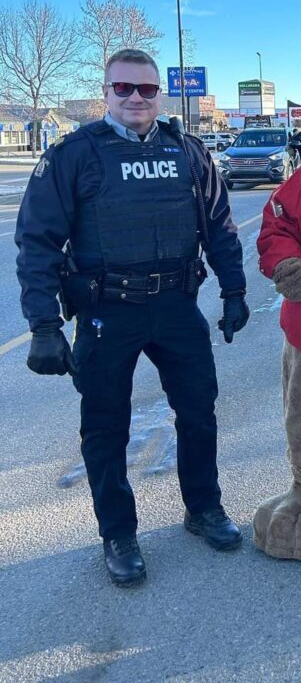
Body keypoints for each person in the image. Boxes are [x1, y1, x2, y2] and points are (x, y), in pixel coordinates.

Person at [15, 49, 251, 587]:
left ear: (159, 94)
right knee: (105, 427)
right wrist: (44, 325)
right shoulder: (73, 155)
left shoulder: (188, 152)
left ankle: (204, 508)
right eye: (123, 88)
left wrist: (234, 291)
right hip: (106, 312)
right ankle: (118, 534)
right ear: (106, 92)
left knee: (199, 413)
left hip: (175, 307)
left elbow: (219, 227)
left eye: (146, 89)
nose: (135, 99)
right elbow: (37, 242)